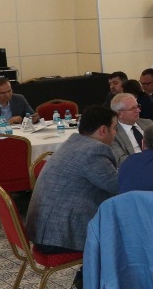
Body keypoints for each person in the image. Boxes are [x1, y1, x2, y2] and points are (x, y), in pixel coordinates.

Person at [26, 104, 119, 257]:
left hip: (45, 231)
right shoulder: (93, 151)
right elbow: (118, 185)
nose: (116, 133)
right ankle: (100, 272)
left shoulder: (74, 142)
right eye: (115, 128)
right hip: (60, 237)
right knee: (129, 233)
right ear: (103, 130)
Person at [109, 92, 147, 159]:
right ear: (119, 114)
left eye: (137, 106)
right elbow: (121, 159)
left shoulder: (148, 123)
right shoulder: (113, 135)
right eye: (133, 108)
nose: (139, 110)